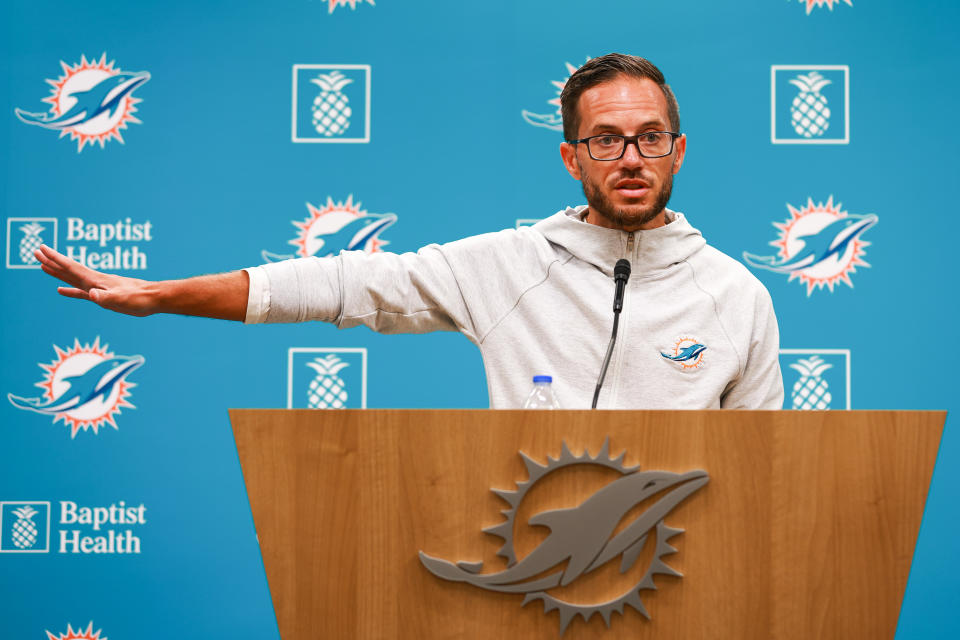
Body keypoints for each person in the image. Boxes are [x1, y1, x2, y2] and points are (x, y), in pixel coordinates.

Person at [35, 53, 783, 409]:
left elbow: (770, 471)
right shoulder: (512, 262)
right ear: (570, 157)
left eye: (650, 138)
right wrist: (166, 295)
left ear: (678, 151)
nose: (629, 158)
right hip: (529, 562)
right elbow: (339, 283)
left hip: (678, 570)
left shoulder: (734, 295)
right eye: (605, 140)